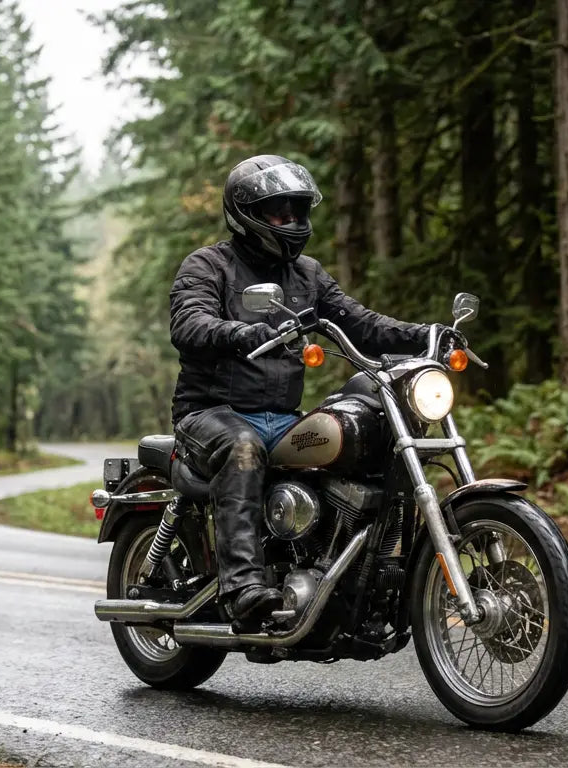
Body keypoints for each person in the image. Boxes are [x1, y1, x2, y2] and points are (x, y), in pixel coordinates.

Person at [169, 154, 428, 632]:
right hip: (211, 414)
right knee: (242, 448)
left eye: (297, 210)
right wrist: (238, 332)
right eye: (278, 212)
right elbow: (189, 322)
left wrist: (425, 335)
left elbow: (359, 322)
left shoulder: (307, 275)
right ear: (245, 214)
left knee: (357, 441)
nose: (291, 221)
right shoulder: (208, 265)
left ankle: (345, 569)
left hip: (282, 417)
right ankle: (243, 587)